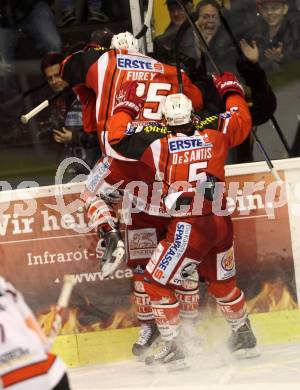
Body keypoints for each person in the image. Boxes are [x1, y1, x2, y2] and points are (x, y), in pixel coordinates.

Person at [61, 31, 204, 356]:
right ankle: (188, 331)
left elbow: (68, 67)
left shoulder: (102, 60)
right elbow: (195, 101)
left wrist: (89, 60)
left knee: (92, 196)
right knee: (182, 261)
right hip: (164, 166)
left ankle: (107, 233)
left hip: (124, 163)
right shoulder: (166, 68)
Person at [104, 72, 258, 366]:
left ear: (164, 120)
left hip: (190, 224)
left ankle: (175, 345)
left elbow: (115, 139)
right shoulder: (215, 130)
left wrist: (126, 107)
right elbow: (241, 121)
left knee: (153, 282)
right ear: (193, 114)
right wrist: (230, 90)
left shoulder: (156, 141)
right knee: (222, 284)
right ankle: (244, 334)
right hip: (221, 222)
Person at [0, 0, 62, 142]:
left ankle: (59, 111)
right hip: (2, 16)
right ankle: (13, 122)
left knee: (53, 45)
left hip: (33, 5)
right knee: (2, 66)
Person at [0, 275, 71, 389]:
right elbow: (31, 324)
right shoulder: (4, 285)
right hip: (50, 370)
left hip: (9, 379)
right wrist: (42, 344)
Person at [40, 51, 100, 175]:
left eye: (57, 75)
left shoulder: (88, 95)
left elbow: (105, 135)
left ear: (66, 72)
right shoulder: (56, 101)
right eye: (49, 78)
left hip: (98, 171)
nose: (54, 81)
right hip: (74, 171)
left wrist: (75, 137)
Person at [254, 0, 300, 72]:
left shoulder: (295, 29)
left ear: (285, 9)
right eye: (265, 9)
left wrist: (282, 59)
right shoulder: (258, 36)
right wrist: (253, 61)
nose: (269, 13)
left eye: (275, 8)